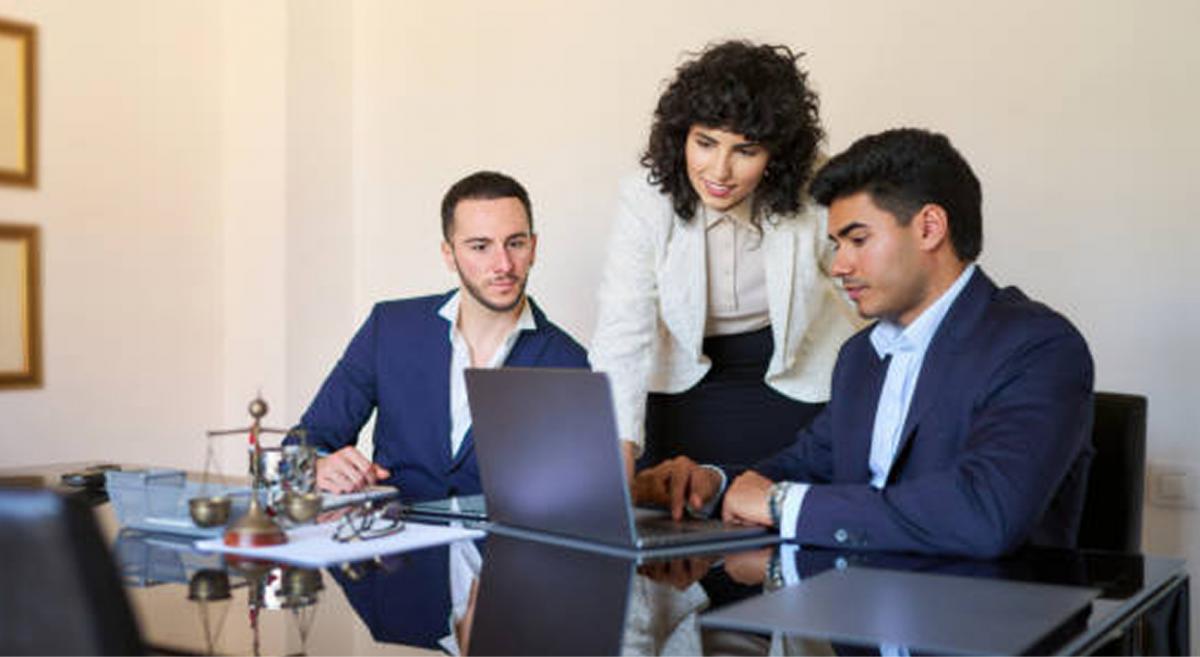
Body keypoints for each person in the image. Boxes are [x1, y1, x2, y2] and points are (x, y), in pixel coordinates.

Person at [642, 128, 1095, 558]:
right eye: (836, 244)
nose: (839, 266)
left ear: (929, 227)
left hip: (977, 623)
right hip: (857, 608)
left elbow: (984, 513)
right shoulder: (861, 357)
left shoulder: (1038, 348)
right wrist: (715, 483)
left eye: (857, 240)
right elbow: (807, 464)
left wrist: (781, 506)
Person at [589, 40, 859, 481]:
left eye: (745, 151)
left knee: (780, 504)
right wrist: (613, 452)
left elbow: (866, 283)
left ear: (776, 155)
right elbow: (624, 327)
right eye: (706, 143)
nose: (719, 171)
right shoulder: (644, 198)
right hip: (683, 378)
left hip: (795, 376)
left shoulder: (818, 188)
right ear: (682, 137)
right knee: (671, 502)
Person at [298, 171, 588, 501]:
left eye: (516, 243)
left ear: (533, 248)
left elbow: (576, 498)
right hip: (397, 546)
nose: (504, 264)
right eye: (480, 247)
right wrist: (318, 466)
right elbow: (304, 442)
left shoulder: (569, 361)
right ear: (449, 254)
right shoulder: (390, 329)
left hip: (500, 551)